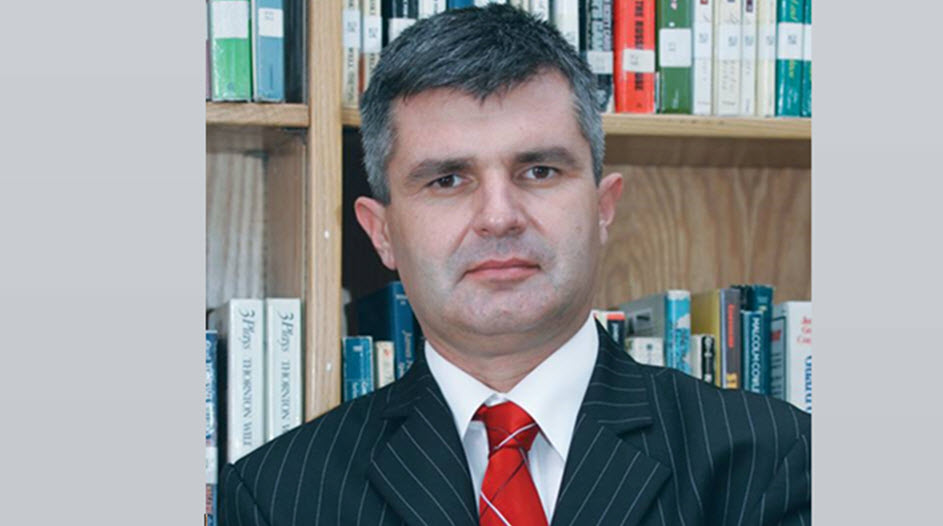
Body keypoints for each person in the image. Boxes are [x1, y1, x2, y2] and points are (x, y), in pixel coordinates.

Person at [218, 5, 811, 526]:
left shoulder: (771, 460)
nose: (498, 217)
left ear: (603, 208)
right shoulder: (279, 495)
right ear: (383, 233)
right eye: (447, 180)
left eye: (539, 171)